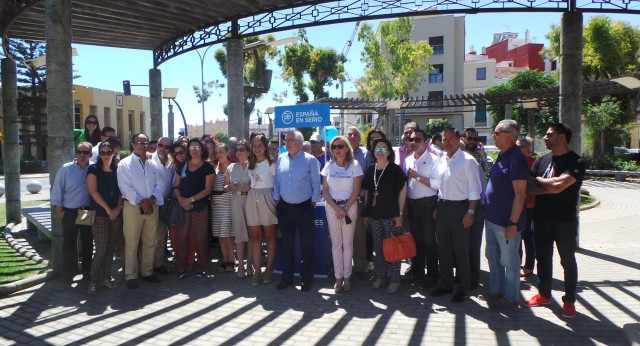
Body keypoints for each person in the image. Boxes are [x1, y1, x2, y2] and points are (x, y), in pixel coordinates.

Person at [525, 123, 585, 319]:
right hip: (541, 218)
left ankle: (569, 301)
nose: (545, 137)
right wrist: (551, 185)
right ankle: (544, 294)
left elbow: (561, 186)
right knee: (542, 258)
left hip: (564, 221)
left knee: (567, 260)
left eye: (549, 134)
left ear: (562, 136)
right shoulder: (541, 161)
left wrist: (542, 182)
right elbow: (530, 187)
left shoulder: (576, 161)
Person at [431, 128, 482, 303]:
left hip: (461, 209)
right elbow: (439, 185)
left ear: (459, 139)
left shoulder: (468, 161)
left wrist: (470, 212)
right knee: (443, 249)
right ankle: (445, 284)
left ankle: (463, 287)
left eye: (450, 139)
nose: (446, 142)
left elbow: (475, 191)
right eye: (444, 139)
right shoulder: (442, 160)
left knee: (461, 250)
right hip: (443, 208)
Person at [484, 120, 529, 308]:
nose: (493, 135)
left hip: (506, 223)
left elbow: (520, 195)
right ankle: (496, 291)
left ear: (509, 135)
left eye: (496, 132)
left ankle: (511, 298)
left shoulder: (517, 158)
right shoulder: (502, 155)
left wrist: (513, 223)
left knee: (510, 262)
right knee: (492, 257)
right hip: (492, 219)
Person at [273, 130, 322, 292]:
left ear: (300, 144)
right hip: (285, 207)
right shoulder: (280, 159)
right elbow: (277, 182)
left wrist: (313, 201)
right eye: (286, 140)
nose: (286, 142)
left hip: (304, 207)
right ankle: (287, 278)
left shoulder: (311, 161)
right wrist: (276, 198)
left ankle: (306, 279)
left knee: (307, 245)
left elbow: (316, 184)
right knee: (287, 244)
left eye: (290, 140)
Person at [117, 133, 165, 289]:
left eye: (145, 142)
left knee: (150, 241)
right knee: (131, 243)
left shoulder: (153, 165)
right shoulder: (124, 164)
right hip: (133, 208)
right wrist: (142, 202)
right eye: (139, 142)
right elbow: (125, 187)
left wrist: (151, 200)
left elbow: (160, 185)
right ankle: (131, 275)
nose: (143, 145)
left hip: (152, 206)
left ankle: (147, 272)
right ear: (132, 145)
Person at [361, 137, 407, 294]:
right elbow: (368, 191)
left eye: (383, 149)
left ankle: (395, 280)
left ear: (388, 152)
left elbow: (403, 191)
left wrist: (400, 214)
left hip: (391, 216)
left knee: (393, 248)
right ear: (374, 152)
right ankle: (380, 276)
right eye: (377, 149)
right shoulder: (370, 170)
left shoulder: (395, 170)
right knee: (379, 248)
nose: (380, 152)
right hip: (375, 215)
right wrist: (367, 212)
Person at [321, 135, 363, 292]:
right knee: (336, 244)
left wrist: (345, 208)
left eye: (340, 146)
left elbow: (356, 190)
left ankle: (347, 277)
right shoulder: (328, 166)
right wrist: (337, 208)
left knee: (348, 243)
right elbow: (324, 190)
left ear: (347, 148)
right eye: (334, 147)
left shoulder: (355, 165)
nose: (337, 149)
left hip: (349, 207)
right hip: (332, 207)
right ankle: (338, 278)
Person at [50, 142, 94, 284]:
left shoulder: (93, 168)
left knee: (87, 242)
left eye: (85, 152)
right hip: (69, 210)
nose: (82, 154)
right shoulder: (66, 169)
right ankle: (70, 272)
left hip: (86, 210)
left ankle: (87, 270)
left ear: (90, 154)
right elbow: (57, 189)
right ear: (76, 153)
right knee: (69, 243)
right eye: (79, 151)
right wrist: (59, 209)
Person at [403, 129, 440, 290]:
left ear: (426, 142)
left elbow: (437, 185)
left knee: (430, 242)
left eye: (418, 139)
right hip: (412, 205)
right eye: (411, 139)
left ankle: (432, 275)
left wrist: (417, 176)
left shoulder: (435, 160)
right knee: (416, 241)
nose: (414, 142)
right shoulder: (408, 159)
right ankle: (417, 273)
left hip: (428, 204)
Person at [172, 138, 215, 279]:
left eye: (197, 147)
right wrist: (180, 200)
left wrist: (190, 200)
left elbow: (208, 190)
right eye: (191, 148)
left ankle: (200, 266)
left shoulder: (207, 167)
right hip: (183, 207)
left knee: (200, 237)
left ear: (202, 150)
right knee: (182, 237)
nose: (194, 150)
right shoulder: (183, 166)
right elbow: (176, 186)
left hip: (200, 207)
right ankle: (181, 267)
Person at [86, 141, 123, 295]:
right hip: (100, 214)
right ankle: (93, 281)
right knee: (101, 249)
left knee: (110, 249)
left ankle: (106, 278)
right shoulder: (93, 169)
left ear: (114, 152)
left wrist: (118, 208)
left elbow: (123, 190)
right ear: (99, 154)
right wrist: (109, 210)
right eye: (103, 152)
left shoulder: (118, 168)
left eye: (109, 152)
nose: (106, 155)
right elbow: (93, 192)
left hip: (116, 213)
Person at [246, 133, 279, 286]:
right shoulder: (249, 164)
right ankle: (257, 270)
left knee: (270, 236)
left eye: (260, 145)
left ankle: (269, 269)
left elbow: (277, 184)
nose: (257, 148)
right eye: (254, 146)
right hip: (252, 198)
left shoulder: (272, 163)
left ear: (265, 147)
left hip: (268, 197)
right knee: (255, 237)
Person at [462, 127, 489, 290]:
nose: (472, 141)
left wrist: (484, 156)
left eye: (474, 139)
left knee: (474, 242)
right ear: (463, 138)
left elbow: (490, 173)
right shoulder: (456, 153)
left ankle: (473, 277)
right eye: (469, 138)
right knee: (460, 243)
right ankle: (461, 274)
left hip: (476, 204)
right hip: (459, 202)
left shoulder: (479, 156)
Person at [346, 126, 370, 280]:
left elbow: (368, 181)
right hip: (341, 202)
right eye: (350, 134)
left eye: (355, 135)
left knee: (359, 236)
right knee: (343, 237)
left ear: (359, 139)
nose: (353, 137)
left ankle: (360, 267)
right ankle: (344, 267)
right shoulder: (339, 152)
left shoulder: (366, 155)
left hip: (359, 201)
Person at [225, 139, 251, 278]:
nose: (239, 152)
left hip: (251, 200)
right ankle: (240, 264)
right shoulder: (231, 167)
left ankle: (250, 264)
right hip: (236, 200)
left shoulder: (253, 167)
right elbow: (225, 186)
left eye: (242, 150)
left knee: (252, 234)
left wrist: (251, 187)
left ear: (248, 152)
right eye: (237, 150)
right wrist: (230, 187)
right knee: (239, 234)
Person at [151, 137, 174, 275]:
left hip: (165, 203)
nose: (163, 149)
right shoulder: (148, 160)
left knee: (160, 235)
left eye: (167, 147)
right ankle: (146, 265)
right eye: (160, 145)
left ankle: (158, 264)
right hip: (151, 203)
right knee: (148, 236)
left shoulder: (172, 162)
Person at [211, 142, 235, 273]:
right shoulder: (213, 168)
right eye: (216, 152)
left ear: (227, 153)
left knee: (227, 235)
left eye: (221, 151)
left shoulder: (232, 168)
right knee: (220, 235)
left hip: (227, 204)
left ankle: (231, 259)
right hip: (215, 204)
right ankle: (224, 260)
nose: (219, 155)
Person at [516, 137, 536, 278]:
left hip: (529, 205)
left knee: (528, 236)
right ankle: (517, 263)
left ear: (528, 149)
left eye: (520, 146)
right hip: (517, 205)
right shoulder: (515, 161)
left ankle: (529, 266)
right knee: (517, 236)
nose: (517, 148)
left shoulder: (534, 163)